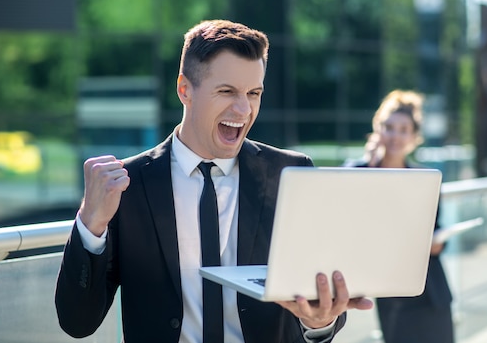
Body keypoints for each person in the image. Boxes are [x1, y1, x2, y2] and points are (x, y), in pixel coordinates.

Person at [55, 19, 373, 343]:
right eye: (227, 91)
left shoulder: (290, 176)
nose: (244, 108)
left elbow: (320, 302)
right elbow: (77, 322)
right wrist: (91, 223)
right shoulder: (129, 185)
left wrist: (318, 322)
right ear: (185, 90)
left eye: (254, 93)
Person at [344, 89, 454, 343]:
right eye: (389, 127)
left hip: (433, 290)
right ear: (377, 128)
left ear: (414, 137)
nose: (396, 135)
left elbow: (437, 228)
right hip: (393, 291)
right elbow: (350, 217)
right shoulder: (359, 171)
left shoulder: (426, 178)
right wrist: (369, 164)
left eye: (404, 129)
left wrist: (437, 243)